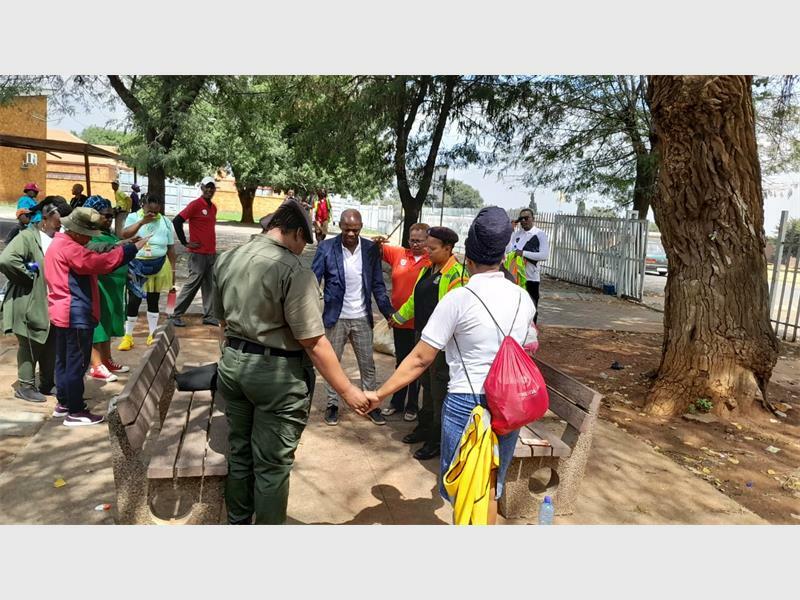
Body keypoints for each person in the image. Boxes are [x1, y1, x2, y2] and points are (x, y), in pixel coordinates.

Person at [367, 206, 537, 525]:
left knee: (463, 486)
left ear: (467, 256)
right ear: (502, 254)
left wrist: (379, 394)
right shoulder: (522, 299)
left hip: (465, 402)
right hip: (508, 403)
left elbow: (420, 358)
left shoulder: (459, 298)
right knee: (490, 485)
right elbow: (527, 344)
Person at [213, 198, 375, 525]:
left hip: (233, 367)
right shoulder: (294, 270)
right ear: (297, 234)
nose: (303, 251)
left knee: (240, 453)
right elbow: (314, 342)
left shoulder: (228, 259)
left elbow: (221, 321)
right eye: (304, 243)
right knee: (273, 466)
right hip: (276, 378)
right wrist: (349, 392)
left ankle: (238, 522)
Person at [44, 207, 147, 426]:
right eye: (88, 235)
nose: (89, 239)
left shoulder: (59, 243)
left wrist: (122, 246)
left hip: (62, 311)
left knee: (63, 360)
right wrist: (132, 250)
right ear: (78, 231)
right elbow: (99, 263)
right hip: (75, 312)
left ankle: (64, 403)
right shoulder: (70, 248)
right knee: (77, 363)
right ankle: (75, 411)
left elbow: (95, 254)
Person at [311, 208, 395, 426]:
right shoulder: (327, 248)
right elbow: (313, 281)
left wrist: (388, 312)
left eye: (355, 230)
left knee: (367, 364)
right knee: (332, 363)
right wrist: (308, 311)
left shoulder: (369, 250)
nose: (351, 234)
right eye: (347, 229)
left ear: (360, 228)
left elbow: (378, 284)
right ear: (340, 226)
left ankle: (370, 404)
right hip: (335, 317)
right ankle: (332, 404)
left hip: (361, 317)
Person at [390, 227, 467, 461]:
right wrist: (398, 318)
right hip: (423, 337)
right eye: (427, 247)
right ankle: (424, 428)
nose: (427, 251)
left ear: (448, 248)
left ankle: (436, 438)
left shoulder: (457, 275)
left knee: (438, 390)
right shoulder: (427, 268)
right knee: (425, 384)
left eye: (432, 248)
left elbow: (455, 314)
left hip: (442, 346)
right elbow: (415, 299)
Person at [0, 198, 65, 403]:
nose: (62, 219)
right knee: (31, 341)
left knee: (49, 340)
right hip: (29, 300)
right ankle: (25, 386)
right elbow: (7, 259)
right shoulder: (28, 237)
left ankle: (47, 383)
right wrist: (29, 277)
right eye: (59, 215)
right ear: (45, 218)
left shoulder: (58, 236)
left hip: (50, 301)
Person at [373, 223, 431, 422]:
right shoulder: (399, 254)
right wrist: (378, 242)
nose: (415, 244)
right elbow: (376, 249)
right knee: (401, 362)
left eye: (420, 241)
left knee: (415, 365)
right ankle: (397, 402)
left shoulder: (431, 260)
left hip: (420, 323)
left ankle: (412, 405)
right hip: (398, 321)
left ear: (428, 241)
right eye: (412, 240)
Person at [118, 196, 177, 350]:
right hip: (137, 264)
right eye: (149, 211)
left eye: (156, 212)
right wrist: (142, 222)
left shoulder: (165, 222)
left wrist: (173, 270)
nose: (153, 215)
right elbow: (124, 235)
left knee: (153, 299)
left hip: (158, 264)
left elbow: (171, 248)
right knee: (134, 300)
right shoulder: (133, 217)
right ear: (143, 205)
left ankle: (152, 334)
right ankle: (128, 336)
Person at [83, 196, 130, 382]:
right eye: (106, 216)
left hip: (114, 288)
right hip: (100, 287)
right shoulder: (89, 237)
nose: (109, 219)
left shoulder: (108, 233)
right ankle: (96, 365)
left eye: (111, 216)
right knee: (99, 325)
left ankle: (107, 359)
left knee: (109, 323)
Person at [169, 176, 218, 327]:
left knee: (210, 285)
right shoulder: (195, 205)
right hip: (198, 254)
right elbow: (177, 221)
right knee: (192, 284)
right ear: (202, 188)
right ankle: (175, 314)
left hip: (211, 253)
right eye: (206, 187)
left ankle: (209, 315)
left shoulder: (213, 207)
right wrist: (185, 242)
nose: (209, 190)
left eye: (212, 187)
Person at [505, 208, 549, 322]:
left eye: (527, 218)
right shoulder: (517, 234)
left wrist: (523, 253)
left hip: (531, 279)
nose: (524, 221)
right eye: (521, 218)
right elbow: (508, 251)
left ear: (533, 219)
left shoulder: (539, 234)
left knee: (531, 309)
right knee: (516, 309)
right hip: (516, 278)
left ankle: (531, 336)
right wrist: (510, 231)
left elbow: (544, 255)